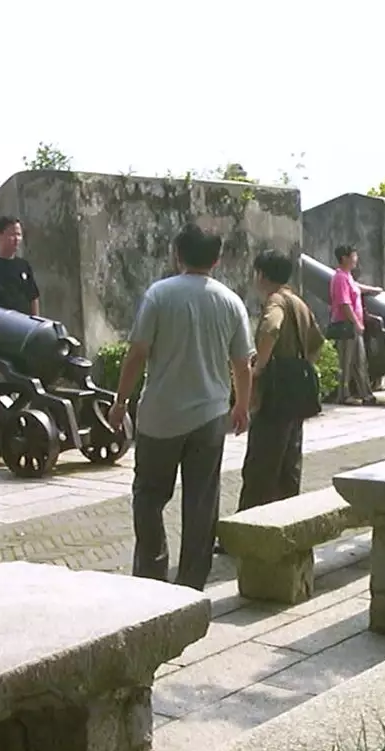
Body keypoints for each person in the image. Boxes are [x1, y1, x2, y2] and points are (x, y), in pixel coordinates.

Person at [109, 223, 252, 590]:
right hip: (209, 415)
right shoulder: (230, 301)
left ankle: (152, 574)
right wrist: (242, 406)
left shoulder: (159, 295)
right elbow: (241, 364)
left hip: (160, 415)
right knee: (202, 501)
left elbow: (137, 353)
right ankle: (192, 581)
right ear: (217, 259)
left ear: (177, 254)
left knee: (149, 496)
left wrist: (120, 401)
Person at [238, 250, 322, 511]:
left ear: (261, 275)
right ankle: (287, 518)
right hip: (296, 394)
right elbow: (317, 341)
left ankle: (248, 526)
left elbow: (271, 328)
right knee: (289, 464)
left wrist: (258, 367)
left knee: (260, 466)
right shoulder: (298, 302)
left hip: (275, 394)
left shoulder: (275, 301)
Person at [328, 245, 376, 405]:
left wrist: (373, 290)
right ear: (344, 258)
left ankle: (365, 394)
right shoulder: (340, 277)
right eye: (354, 256)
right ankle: (344, 395)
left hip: (353, 325)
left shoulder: (347, 276)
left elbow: (356, 288)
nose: (356, 259)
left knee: (358, 361)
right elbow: (344, 303)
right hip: (346, 325)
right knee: (347, 362)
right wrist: (356, 323)